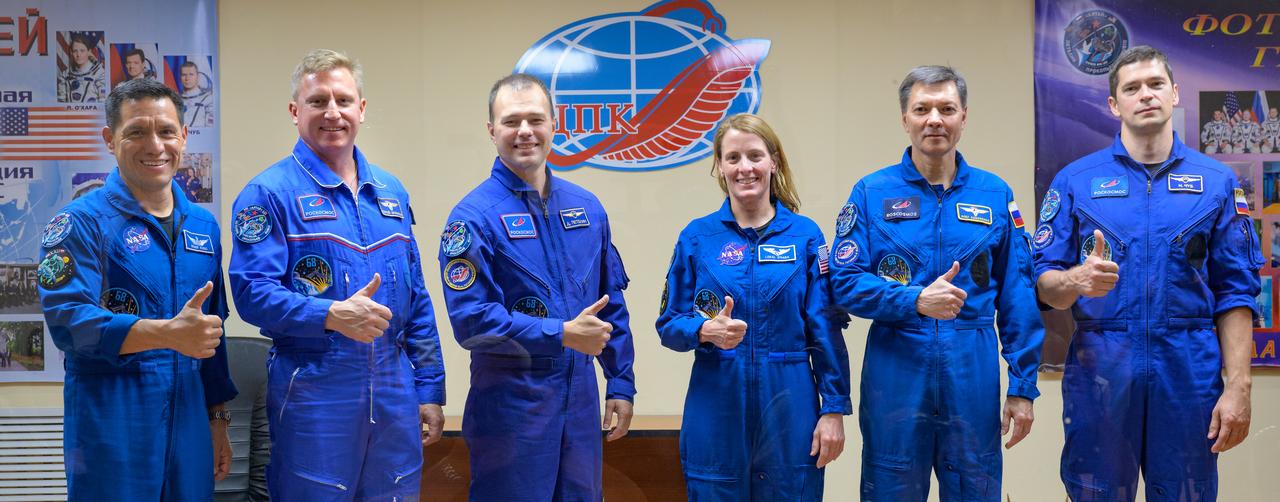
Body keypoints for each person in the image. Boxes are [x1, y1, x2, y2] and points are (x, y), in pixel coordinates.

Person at [1034, 46, 1261, 501]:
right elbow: (1044, 286)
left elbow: (1236, 293)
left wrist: (1238, 387)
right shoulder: (1076, 181)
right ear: (1114, 104)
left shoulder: (1217, 183)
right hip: (1102, 366)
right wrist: (1077, 280)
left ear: (1175, 94)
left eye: (1156, 84)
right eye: (1131, 88)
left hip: (1188, 368)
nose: (1146, 95)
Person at [228, 49, 445, 501]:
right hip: (314, 393)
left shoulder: (390, 192)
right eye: (317, 101)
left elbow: (417, 298)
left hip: (394, 393)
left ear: (361, 109)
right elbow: (252, 293)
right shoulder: (268, 194)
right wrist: (330, 314)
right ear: (295, 111)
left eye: (344, 100)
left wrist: (429, 388)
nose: (333, 112)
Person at [828, 65, 1043, 501]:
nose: (935, 120)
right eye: (922, 109)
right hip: (897, 371)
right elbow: (843, 282)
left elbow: (1018, 296)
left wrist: (1023, 387)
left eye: (946, 108)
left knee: (975, 488)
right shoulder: (871, 193)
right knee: (890, 488)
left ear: (964, 116)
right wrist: (913, 301)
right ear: (905, 119)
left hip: (972, 368)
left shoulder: (994, 194)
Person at [437, 73, 635, 500]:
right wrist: (561, 334)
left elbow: (610, 301)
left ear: (554, 124)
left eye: (535, 119)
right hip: (511, 405)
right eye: (511, 122)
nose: (524, 131)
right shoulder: (473, 219)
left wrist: (620, 381)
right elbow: (472, 322)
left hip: (580, 402)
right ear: (492, 131)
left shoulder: (587, 208)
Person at [37, 78, 236, 500]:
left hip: (190, 428)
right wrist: (165, 334)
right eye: (137, 132)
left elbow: (210, 338)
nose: (155, 146)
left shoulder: (203, 227)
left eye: (166, 131)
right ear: (110, 139)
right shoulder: (80, 223)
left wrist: (217, 420)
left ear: (184, 135)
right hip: (111, 425)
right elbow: (69, 323)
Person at [655, 113, 851, 500]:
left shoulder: (805, 236)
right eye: (733, 158)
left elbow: (825, 328)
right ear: (719, 166)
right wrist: (703, 330)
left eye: (755, 156)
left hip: (790, 400)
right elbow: (668, 325)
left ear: (773, 162)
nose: (745, 167)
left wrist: (833, 409)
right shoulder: (697, 237)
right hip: (717, 400)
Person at [57, 33, 107, 103]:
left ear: (89, 52)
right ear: (71, 52)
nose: (78, 55)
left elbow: (103, 102)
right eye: (75, 51)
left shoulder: (99, 74)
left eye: (82, 51)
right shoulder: (65, 75)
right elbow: (61, 102)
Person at [180, 61, 215, 127]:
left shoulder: (208, 99)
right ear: (180, 77)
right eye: (184, 75)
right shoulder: (175, 99)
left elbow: (210, 128)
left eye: (191, 74)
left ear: (197, 76)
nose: (187, 78)